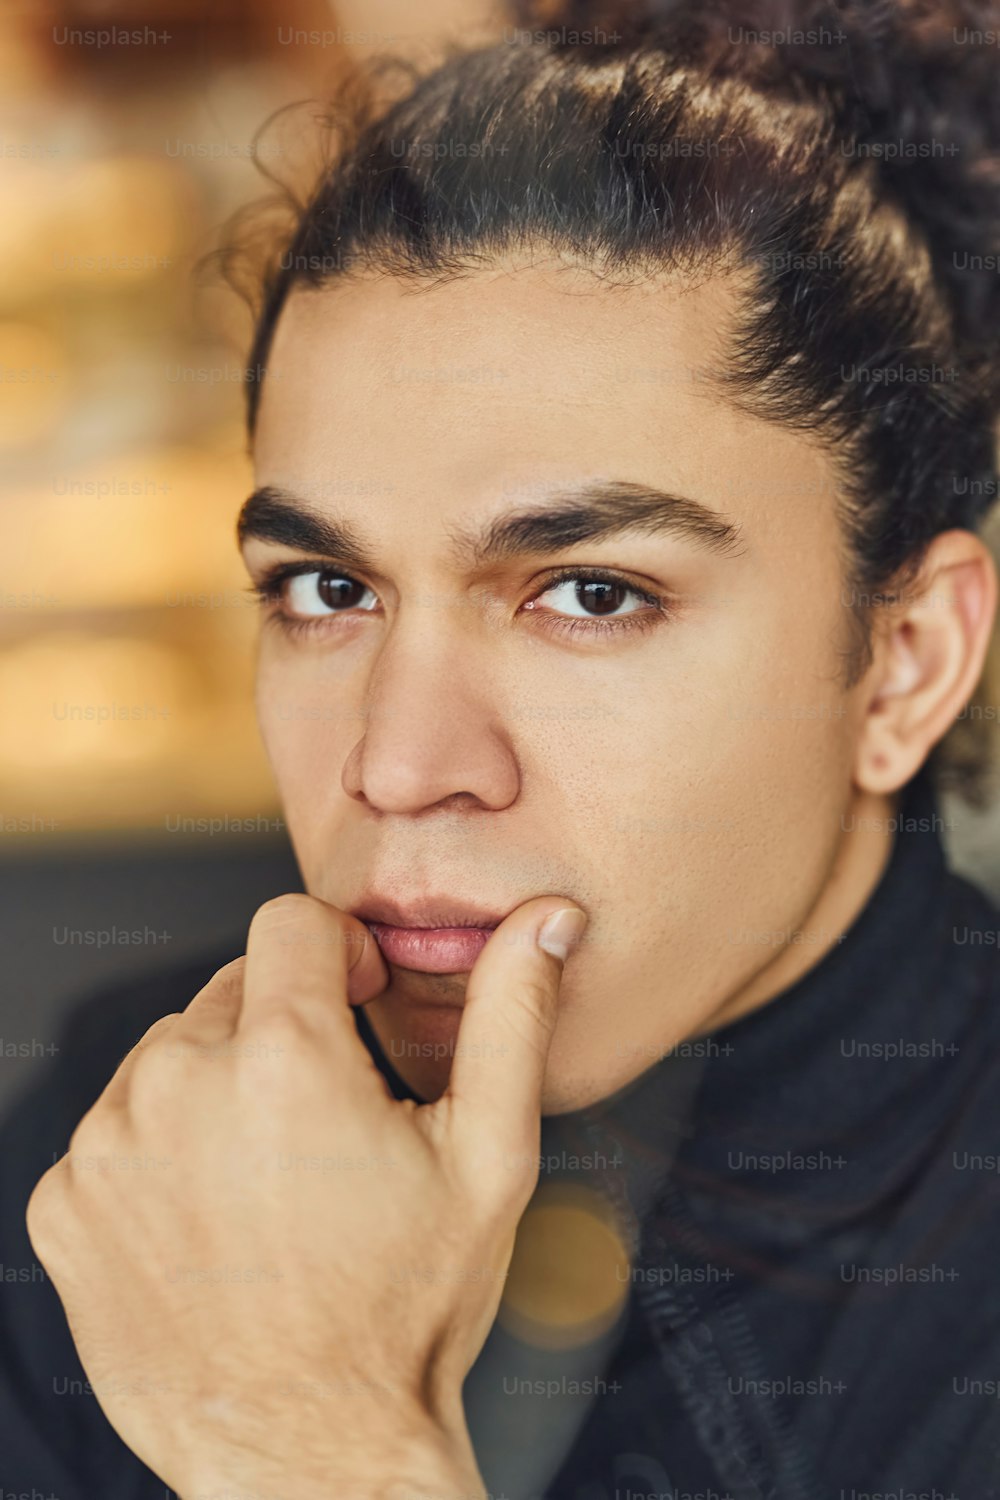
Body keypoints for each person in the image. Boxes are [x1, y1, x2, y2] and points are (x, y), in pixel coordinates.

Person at [3, 2, 1000, 1496]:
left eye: (591, 595)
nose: (399, 767)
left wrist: (305, 1443)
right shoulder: (130, 1150)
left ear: (904, 662)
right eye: (327, 590)